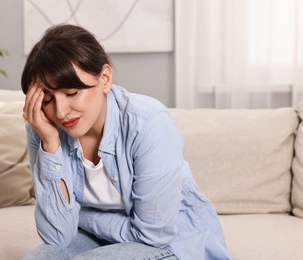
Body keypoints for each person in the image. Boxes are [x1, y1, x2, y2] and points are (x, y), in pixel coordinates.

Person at [21, 24, 230, 260]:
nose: (60, 112)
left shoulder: (149, 123)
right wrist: (50, 144)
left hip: (173, 244)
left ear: (105, 79)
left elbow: (153, 235)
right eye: (47, 99)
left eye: (71, 93)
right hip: (104, 240)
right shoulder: (44, 128)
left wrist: (80, 216)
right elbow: (58, 236)